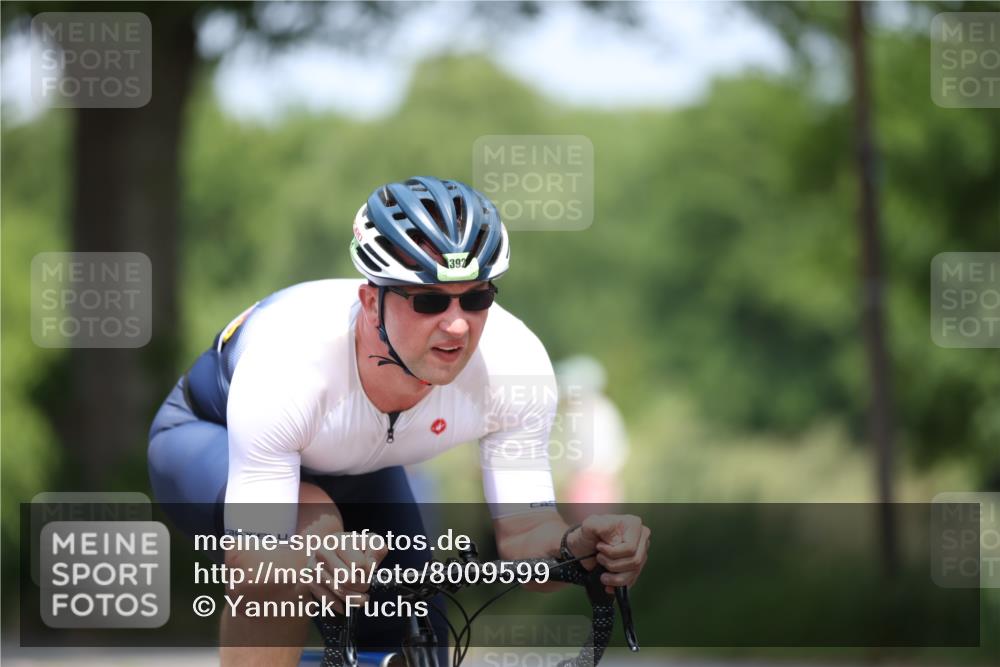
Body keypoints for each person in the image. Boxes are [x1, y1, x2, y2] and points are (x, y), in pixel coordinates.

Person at [147, 176, 651, 667]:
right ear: (371, 303)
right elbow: (254, 564)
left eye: (476, 298)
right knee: (308, 528)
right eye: (429, 300)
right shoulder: (291, 362)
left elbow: (525, 537)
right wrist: (310, 562)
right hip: (209, 438)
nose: (457, 324)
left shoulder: (513, 365)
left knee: (414, 629)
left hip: (361, 470)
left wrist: (577, 549)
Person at [553, 355, 630, 521]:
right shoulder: (599, 409)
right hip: (596, 483)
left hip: (592, 484)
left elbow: (591, 459)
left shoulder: (590, 412)